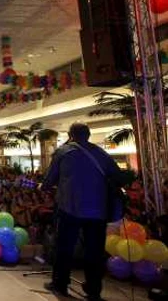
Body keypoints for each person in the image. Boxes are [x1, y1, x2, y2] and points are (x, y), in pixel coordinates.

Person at [42, 123, 122, 301]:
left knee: (64, 248)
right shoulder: (101, 153)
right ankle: (94, 291)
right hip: (98, 211)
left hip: (70, 208)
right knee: (94, 252)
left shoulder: (63, 152)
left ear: (70, 135)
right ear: (89, 135)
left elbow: (48, 181)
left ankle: (60, 283)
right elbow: (119, 176)